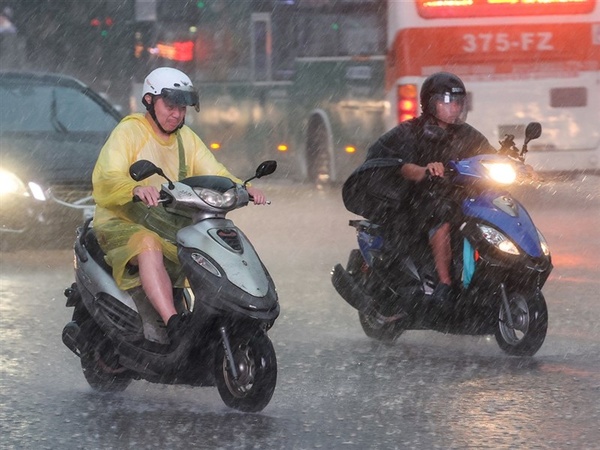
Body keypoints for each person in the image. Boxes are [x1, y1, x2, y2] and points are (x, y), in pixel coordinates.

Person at [92, 67, 267, 344]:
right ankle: (172, 324)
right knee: (147, 243)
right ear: (149, 101)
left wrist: (243, 188)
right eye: (171, 106)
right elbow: (106, 176)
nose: (177, 114)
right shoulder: (129, 131)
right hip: (123, 223)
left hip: (169, 223)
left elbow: (216, 172)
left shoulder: (187, 139)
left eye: (182, 108)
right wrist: (134, 189)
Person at [344, 72, 496, 305]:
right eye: (447, 102)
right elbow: (399, 166)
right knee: (442, 214)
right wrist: (425, 170)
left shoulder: (467, 134)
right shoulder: (409, 132)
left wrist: (515, 166)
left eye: (457, 102)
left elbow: (489, 158)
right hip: (415, 201)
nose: (454, 108)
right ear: (430, 103)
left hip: (459, 197)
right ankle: (444, 284)